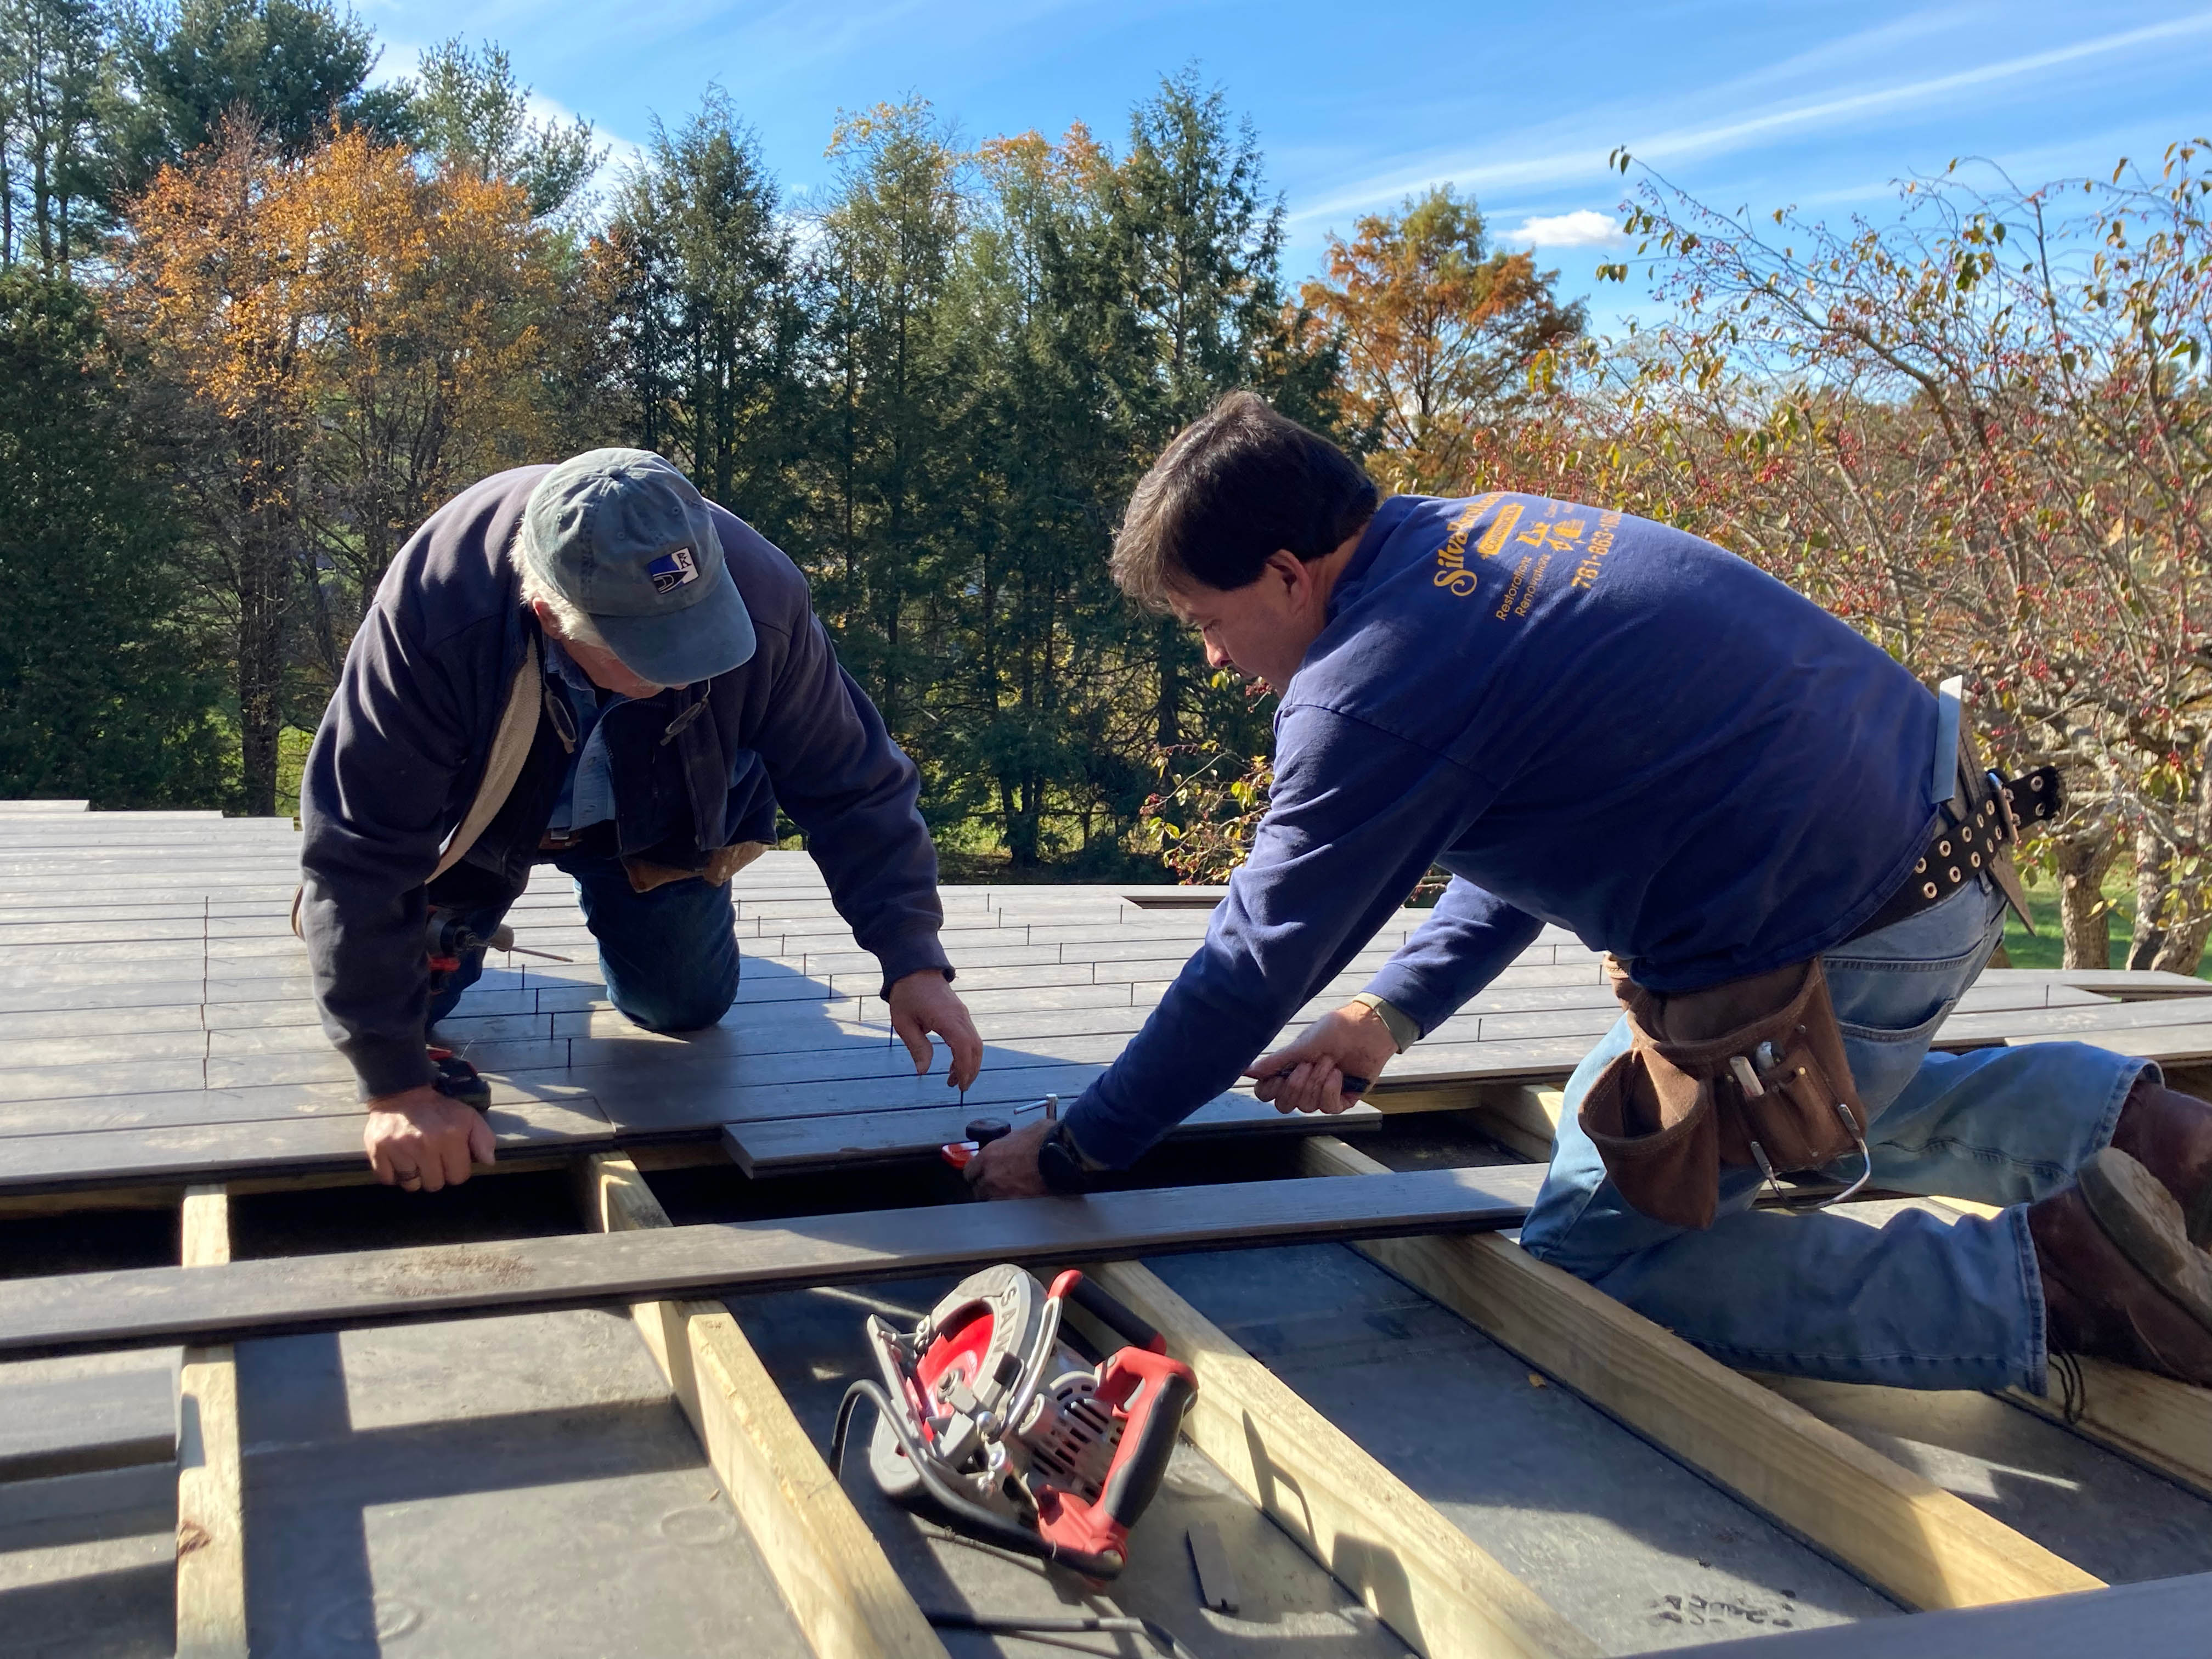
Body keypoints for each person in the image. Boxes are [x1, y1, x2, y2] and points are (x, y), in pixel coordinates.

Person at [966, 392, 2212, 1395]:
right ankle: (2148, 1143)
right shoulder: (1479, 543)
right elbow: (1541, 848)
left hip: (1844, 932)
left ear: (1290, 574)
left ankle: (2058, 1280)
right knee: (1620, 1103)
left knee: (1597, 1253)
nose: (1215, 657)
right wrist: (1388, 1019)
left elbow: (1250, 962)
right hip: (1930, 854)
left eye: (1208, 618)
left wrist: (1080, 1145)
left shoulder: (1364, 681)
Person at [300, 449, 981, 1194]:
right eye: (656, 653)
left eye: (702, 633)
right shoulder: (440, 606)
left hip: (655, 814)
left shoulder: (762, 594)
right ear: (552, 616)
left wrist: (911, 957)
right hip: (472, 819)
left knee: (683, 1006)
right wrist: (396, 1090)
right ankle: (384, 929)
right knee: (411, 1010)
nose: (691, 670)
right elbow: (360, 847)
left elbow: (855, 786)